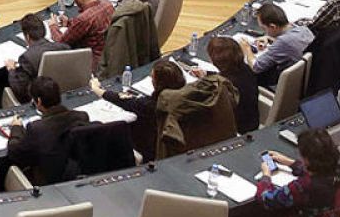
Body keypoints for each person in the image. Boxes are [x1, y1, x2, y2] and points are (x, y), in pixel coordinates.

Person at [95, 59, 238, 159]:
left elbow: (127, 102)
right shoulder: (190, 96)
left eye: (153, 78)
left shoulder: (157, 104)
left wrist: (98, 90)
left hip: (155, 151)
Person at [5, 77, 88, 185]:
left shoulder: (37, 129)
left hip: (48, 183)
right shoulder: (82, 116)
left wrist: (16, 128)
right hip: (78, 176)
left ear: (38, 101)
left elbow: (14, 153)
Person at [49, 0, 113, 67]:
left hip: (91, 60)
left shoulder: (84, 18)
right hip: (107, 52)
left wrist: (53, 26)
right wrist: (69, 23)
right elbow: (89, 27)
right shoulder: (108, 4)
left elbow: (61, 42)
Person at [5, 13, 68, 104]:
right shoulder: (64, 47)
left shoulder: (27, 58)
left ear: (27, 37)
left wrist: (11, 70)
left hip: (39, 100)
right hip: (61, 94)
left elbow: (21, 92)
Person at [246, 2, 314, 84]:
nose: (265, 32)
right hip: (306, 77)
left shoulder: (283, 42)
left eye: (264, 28)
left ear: (273, 27)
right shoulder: (302, 29)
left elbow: (255, 67)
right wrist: (272, 38)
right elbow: (291, 45)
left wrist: (247, 48)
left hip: (280, 82)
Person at [207, 35, 259, 133]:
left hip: (234, 131)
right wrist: (207, 73)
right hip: (251, 124)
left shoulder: (223, 86)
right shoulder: (246, 69)